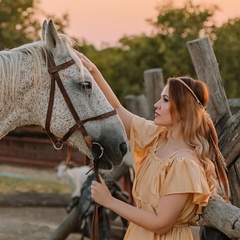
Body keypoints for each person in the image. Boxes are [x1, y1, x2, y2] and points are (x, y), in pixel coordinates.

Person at [76, 51, 229, 240]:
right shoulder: (156, 137)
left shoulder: (185, 164)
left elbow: (161, 223)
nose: (156, 104)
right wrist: (94, 71)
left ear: (183, 110)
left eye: (165, 100)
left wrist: (109, 201)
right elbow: (116, 110)